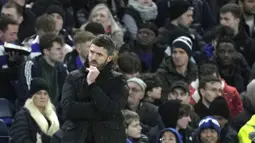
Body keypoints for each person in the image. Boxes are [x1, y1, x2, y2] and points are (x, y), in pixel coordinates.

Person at [61, 34, 128, 143]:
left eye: (99, 54)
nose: (93, 57)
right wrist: (100, 112)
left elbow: (113, 110)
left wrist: (92, 84)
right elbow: (67, 109)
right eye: (92, 52)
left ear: (109, 58)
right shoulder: (73, 77)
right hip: (77, 137)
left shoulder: (118, 80)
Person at [18, 33, 68, 110]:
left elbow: (67, 92)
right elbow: (27, 93)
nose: (62, 53)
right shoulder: (31, 66)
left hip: (55, 112)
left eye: (62, 49)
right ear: (46, 51)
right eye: (58, 49)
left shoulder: (62, 68)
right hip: (32, 110)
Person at [10, 78, 60, 143]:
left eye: (45, 94)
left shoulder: (52, 116)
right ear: (32, 96)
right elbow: (19, 139)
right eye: (39, 93)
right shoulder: (23, 116)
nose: (42, 97)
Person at [0, 15, 22, 102]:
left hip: (13, 96)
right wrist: (15, 71)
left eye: (16, 33)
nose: (15, 37)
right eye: (12, 34)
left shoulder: (15, 46)